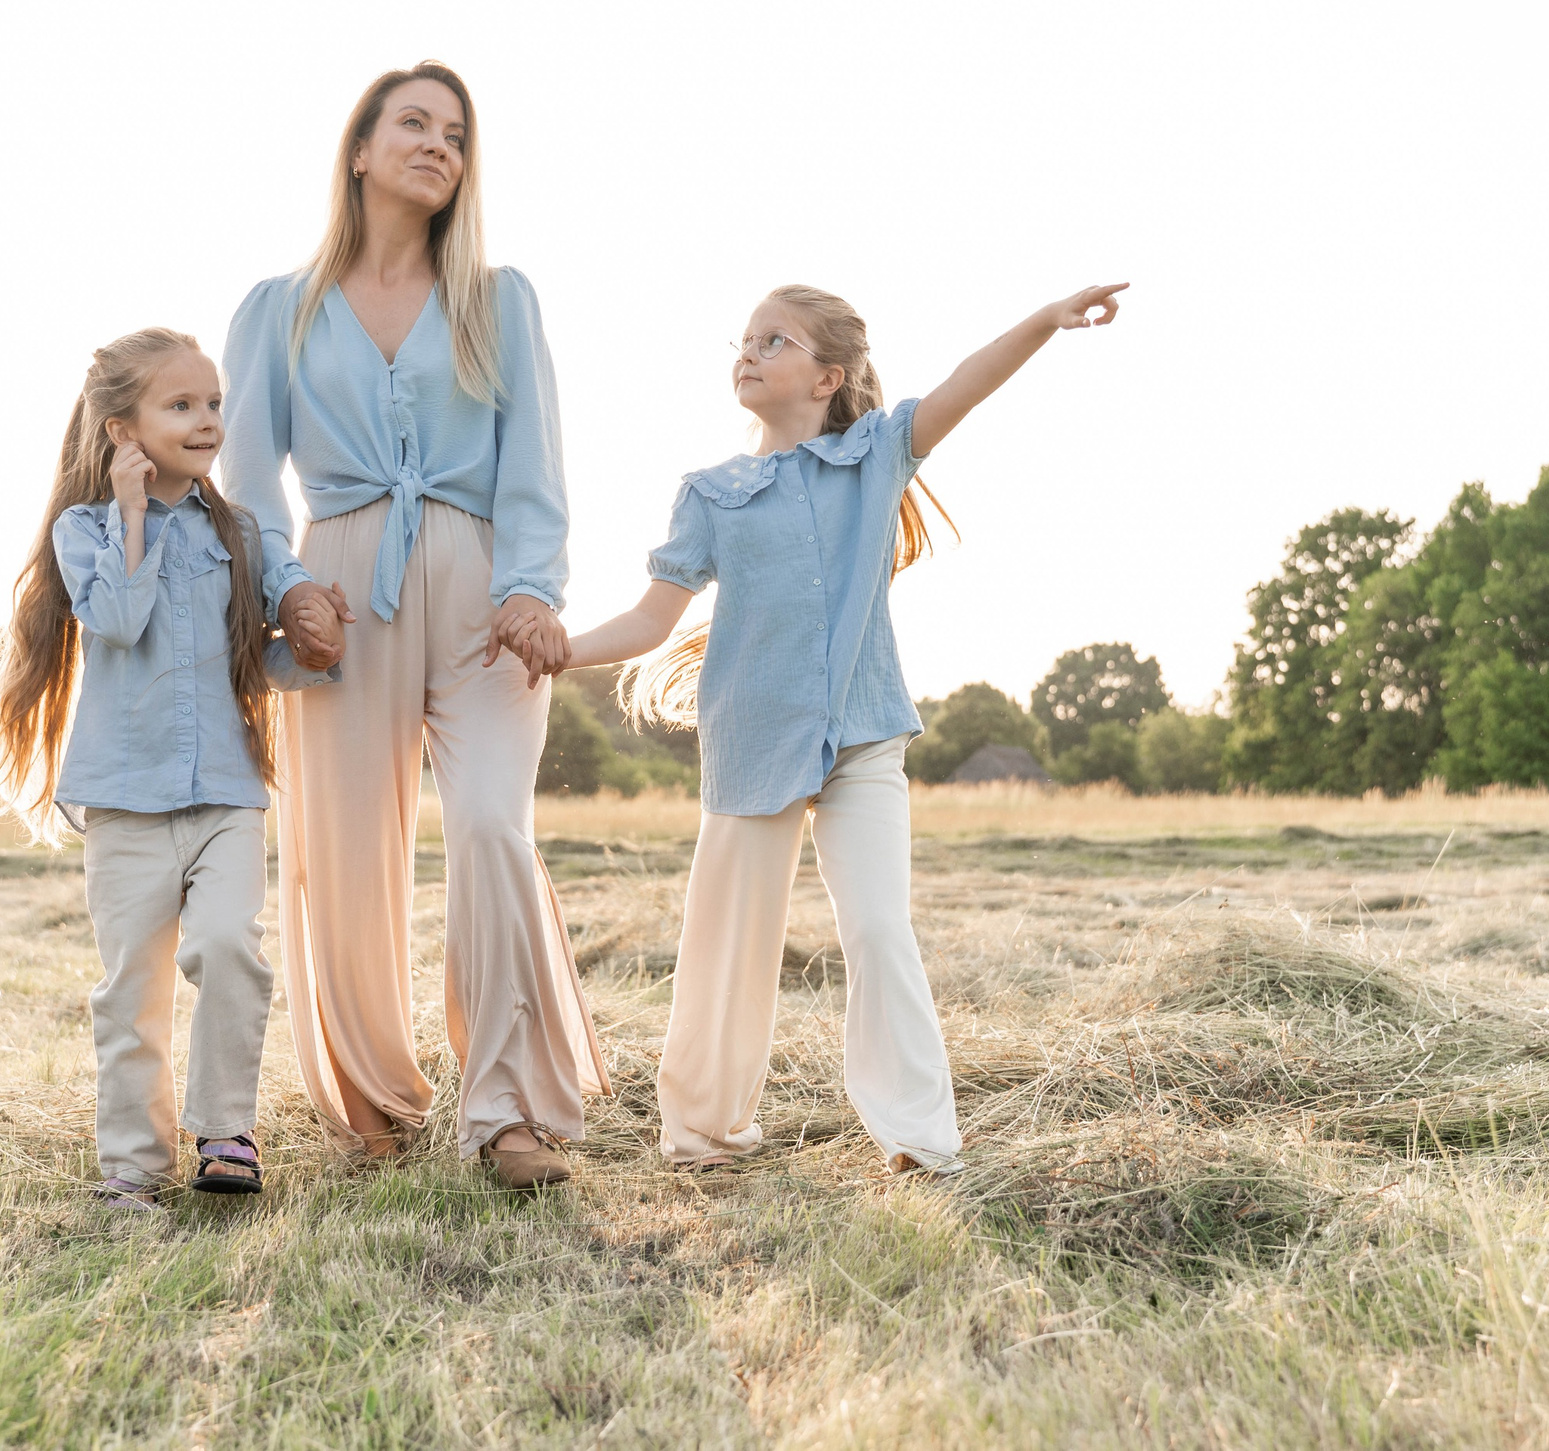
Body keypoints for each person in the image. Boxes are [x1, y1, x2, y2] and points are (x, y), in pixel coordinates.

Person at [542, 280, 1125, 1171]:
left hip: (864, 735)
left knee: (881, 928)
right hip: (752, 741)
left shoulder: (877, 455)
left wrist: (1046, 320)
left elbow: (966, 385)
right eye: (744, 340)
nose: (749, 352)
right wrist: (562, 650)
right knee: (729, 943)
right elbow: (651, 620)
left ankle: (919, 1137)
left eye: (774, 340)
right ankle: (705, 1130)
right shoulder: (710, 494)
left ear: (828, 378)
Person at [221, 60, 605, 1189]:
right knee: (344, 848)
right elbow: (248, 475)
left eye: (457, 134)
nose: (439, 144)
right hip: (338, 582)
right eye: (415, 124)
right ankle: (372, 1099)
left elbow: (535, 462)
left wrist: (533, 586)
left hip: (486, 591)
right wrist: (286, 587)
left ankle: (508, 1110)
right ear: (359, 150)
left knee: (491, 826)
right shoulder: (276, 310)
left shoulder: (501, 299)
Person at [0, 327, 337, 1207]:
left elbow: (256, 662)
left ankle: (226, 1132)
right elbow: (120, 621)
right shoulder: (84, 530)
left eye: (214, 403)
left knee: (228, 945)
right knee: (132, 990)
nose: (208, 420)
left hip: (225, 795)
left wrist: (316, 650)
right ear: (123, 431)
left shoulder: (240, 534)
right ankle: (133, 1165)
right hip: (125, 803)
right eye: (182, 405)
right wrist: (131, 514)